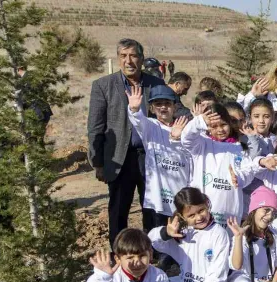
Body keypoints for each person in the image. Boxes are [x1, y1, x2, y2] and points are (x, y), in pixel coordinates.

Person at [87, 38, 166, 247]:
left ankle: (154, 250)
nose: (128, 61)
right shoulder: (103, 86)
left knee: (153, 207)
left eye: (133, 55)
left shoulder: (155, 84)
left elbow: (171, 113)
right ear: (118, 59)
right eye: (123, 56)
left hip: (151, 158)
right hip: (118, 158)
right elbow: (95, 128)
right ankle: (119, 253)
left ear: (141, 58)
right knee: (119, 209)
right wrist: (98, 163)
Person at [126, 85, 192, 235]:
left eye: (167, 104)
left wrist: (178, 137)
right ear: (152, 107)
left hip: (180, 193)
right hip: (158, 197)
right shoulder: (150, 127)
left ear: (175, 107)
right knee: (159, 236)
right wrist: (135, 110)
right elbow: (138, 121)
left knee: (183, 236)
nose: (163, 108)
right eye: (158, 104)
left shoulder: (185, 128)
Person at [179, 103, 254, 227]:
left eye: (224, 125)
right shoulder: (201, 144)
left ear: (229, 123)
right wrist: (199, 121)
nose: (220, 130)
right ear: (207, 127)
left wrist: (239, 178)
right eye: (214, 126)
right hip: (203, 212)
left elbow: (249, 171)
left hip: (230, 211)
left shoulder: (239, 148)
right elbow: (186, 138)